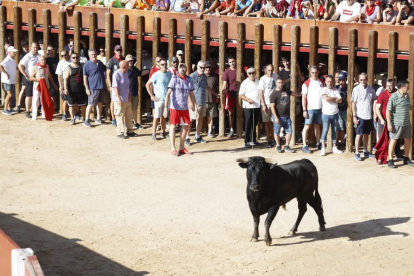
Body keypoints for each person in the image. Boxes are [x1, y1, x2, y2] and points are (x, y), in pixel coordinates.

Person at [163, 63, 197, 156]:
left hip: (184, 107)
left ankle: (181, 148)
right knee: (173, 126)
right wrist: (166, 108)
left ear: (186, 69)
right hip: (175, 107)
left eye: (184, 68)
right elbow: (168, 94)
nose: (182, 69)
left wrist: (194, 106)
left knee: (185, 127)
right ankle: (173, 148)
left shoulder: (189, 79)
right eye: (181, 68)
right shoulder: (174, 79)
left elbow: (191, 94)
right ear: (178, 69)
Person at [386, 81, 414, 168]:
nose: (408, 89)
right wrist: (389, 123)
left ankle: (406, 158)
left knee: (408, 140)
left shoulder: (407, 96)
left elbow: (408, 106)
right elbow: (388, 110)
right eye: (407, 87)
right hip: (396, 123)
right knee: (393, 140)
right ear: (402, 87)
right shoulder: (394, 96)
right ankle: (390, 160)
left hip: (406, 123)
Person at [270, 77, 302, 153]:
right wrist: (276, 117)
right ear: (276, 83)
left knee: (289, 131)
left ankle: (287, 146)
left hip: (287, 116)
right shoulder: (273, 94)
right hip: (278, 116)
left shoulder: (286, 90)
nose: (280, 84)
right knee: (277, 132)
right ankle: (278, 146)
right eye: (279, 83)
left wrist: (303, 94)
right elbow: (272, 107)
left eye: (282, 82)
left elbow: (295, 94)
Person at [352, 73, 377, 161]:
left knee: (366, 134)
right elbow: (353, 103)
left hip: (368, 115)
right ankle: (357, 152)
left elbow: (375, 99)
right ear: (359, 80)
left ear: (367, 79)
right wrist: (354, 116)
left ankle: (365, 151)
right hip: (360, 115)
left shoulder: (371, 89)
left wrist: (375, 112)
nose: (363, 81)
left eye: (364, 79)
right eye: (361, 80)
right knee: (359, 134)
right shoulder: (356, 89)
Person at [188, 60, 215, 144]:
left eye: (204, 67)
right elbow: (188, 90)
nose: (203, 69)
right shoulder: (191, 76)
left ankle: (197, 136)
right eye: (201, 67)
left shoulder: (204, 76)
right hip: (194, 101)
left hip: (202, 100)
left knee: (200, 119)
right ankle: (187, 138)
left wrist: (214, 93)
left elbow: (206, 86)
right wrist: (190, 102)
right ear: (197, 66)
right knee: (190, 119)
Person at [146, 58, 172, 140]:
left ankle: (163, 132)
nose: (164, 66)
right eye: (162, 64)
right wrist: (152, 96)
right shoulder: (156, 74)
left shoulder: (169, 74)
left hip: (167, 99)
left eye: (165, 64)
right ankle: (153, 134)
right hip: (158, 99)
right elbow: (147, 84)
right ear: (159, 66)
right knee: (156, 117)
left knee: (164, 116)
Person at [111, 61, 138, 139]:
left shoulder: (126, 73)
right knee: (120, 116)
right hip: (119, 100)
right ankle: (120, 132)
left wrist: (129, 95)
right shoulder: (116, 74)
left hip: (126, 98)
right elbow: (115, 88)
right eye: (127, 66)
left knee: (129, 116)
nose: (129, 67)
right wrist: (119, 98)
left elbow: (127, 86)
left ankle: (130, 131)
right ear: (123, 67)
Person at [301, 65, 323, 153]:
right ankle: (304, 145)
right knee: (307, 126)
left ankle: (318, 143)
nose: (314, 74)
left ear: (318, 72)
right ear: (310, 73)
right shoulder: (306, 83)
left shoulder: (321, 82)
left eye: (316, 72)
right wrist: (304, 110)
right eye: (312, 72)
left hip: (320, 108)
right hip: (310, 108)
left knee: (317, 126)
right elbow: (303, 97)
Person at [83, 49, 107, 127]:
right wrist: (87, 88)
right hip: (93, 87)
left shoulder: (100, 63)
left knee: (100, 103)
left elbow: (105, 69)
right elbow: (85, 77)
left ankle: (98, 118)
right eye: (92, 54)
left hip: (101, 86)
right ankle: (86, 120)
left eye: (95, 54)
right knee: (91, 103)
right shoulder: (87, 64)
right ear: (89, 55)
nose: (94, 56)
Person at [320, 75, 343, 156]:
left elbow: (340, 100)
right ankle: (323, 148)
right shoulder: (323, 89)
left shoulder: (336, 89)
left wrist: (330, 98)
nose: (329, 83)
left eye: (331, 81)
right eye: (328, 81)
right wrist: (334, 99)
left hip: (335, 113)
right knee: (325, 130)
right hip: (326, 114)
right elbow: (326, 99)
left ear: (333, 82)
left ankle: (334, 147)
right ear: (325, 82)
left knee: (334, 130)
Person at [63, 52, 88, 125]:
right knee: (71, 105)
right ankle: (72, 118)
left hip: (81, 89)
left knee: (83, 104)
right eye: (73, 57)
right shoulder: (68, 67)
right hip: (72, 89)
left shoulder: (82, 66)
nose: (75, 59)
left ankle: (83, 117)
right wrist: (66, 88)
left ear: (79, 58)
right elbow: (66, 79)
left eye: (77, 57)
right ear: (71, 58)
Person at [239, 67, 261, 148]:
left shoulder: (258, 81)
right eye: (250, 73)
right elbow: (240, 95)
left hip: (257, 105)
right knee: (248, 123)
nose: (252, 75)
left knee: (254, 123)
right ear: (247, 74)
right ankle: (247, 141)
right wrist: (248, 99)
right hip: (248, 106)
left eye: (253, 73)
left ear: (255, 73)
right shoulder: (244, 83)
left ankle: (253, 139)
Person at [126, 54, 149, 130]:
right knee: (127, 110)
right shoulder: (125, 70)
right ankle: (127, 123)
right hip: (127, 94)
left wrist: (150, 70)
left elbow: (141, 73)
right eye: (129, 61)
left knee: (134, 109)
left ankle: (135, 123)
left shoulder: (134, 69)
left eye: (131, 61)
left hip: (135, 93)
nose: (130, 62)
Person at [18, 41, 41, 119]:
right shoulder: (28, 56)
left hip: (37, 78)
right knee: (29, 95)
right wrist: (25, 75)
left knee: (37, 95)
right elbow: (20, 65)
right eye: (34, 47)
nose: (35, 49)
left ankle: (35, 110)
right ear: (31, 47)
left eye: (36, 47)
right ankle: (28, 111)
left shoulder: (40, 56)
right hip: (29, 78)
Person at [258, 64, 278, 148]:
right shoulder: (262, 79)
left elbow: (281, 82)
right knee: (266, 122)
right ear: (265, 70)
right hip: (266, 102)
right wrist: (263, 104)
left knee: (274, 122)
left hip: (274, 103)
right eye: (269, 70)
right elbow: (261, 93)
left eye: (272, 70)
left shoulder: (275, 75)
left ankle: (273, 139)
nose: (270, 72)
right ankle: (269, 140)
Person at [29, 55, 54, 120]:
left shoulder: (47, 67)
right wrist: (39, 79)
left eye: (44, 60)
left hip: (45, 86)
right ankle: (34, 115)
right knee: (36, 100)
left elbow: (49, 75)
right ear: (39, 61)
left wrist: (53, 84)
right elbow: (31, 78)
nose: (44, 61)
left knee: (44, 99)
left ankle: (44, 114)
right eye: (42, 60)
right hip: (38, 86)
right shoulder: (36, 67)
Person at [107, 45, 125, 126]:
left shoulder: (123, 59)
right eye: (117, 50)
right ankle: (113, 119)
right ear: (114, 51)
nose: (119, 52)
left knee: (123, 101)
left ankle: (122, 119)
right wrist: (110, 85)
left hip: (122, 84)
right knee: (113, 101)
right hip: (114, 85)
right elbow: (108, 74)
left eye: (120, 50)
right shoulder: (111, 60)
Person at [222, 56, 237, 137]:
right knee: (230, 113)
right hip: (230, 93)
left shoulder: (239, 70)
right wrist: (223, 96)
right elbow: (224, 85)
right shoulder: (227, 71)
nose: (232, 63)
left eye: (233, 61)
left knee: (240, 112)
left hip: (239, 94)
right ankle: (231, 129)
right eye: (230, 62)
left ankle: (240, 129)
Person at [0, 46, 18, 115]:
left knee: (11, 94)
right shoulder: (7, 59)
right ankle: (5, 109)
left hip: (12, 80)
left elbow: (13, 67)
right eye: (13, 52)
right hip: (7, 80)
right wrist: (6, 73)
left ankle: (9, 108)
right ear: (9, 52)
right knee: (9, 94)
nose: (15, 53)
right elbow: (0, 66)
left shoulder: (13, 59)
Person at [204, 61, 220, 137]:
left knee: (210, 116)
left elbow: (217, 87)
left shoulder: (215, 76)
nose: (208, 69)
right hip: (201, 100)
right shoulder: (200, 76)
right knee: (199, 117)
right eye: (206, 68)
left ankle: (210, 131)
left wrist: (217, 97)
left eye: (209, 68)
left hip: (211, 99)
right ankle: (198, 133)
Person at [56, 50, 71, 120]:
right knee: (65, 99)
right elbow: (59, 75)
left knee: (75, 99)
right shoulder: (61, 62)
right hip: (65, 82)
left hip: (73, 82)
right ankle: (65, 114)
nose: (64, 57)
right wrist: (60, 86)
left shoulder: (73, 60)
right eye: (62, 56)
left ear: (68, 54)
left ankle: (75, 113)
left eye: (65, 55)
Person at [16, 39, 29, 113]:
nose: (25, 48)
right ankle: (18, 105)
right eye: (23, 47)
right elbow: (22, 66)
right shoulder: (22, 54)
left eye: (26, 46)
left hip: (31, 74)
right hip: (25, 74)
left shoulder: (31, 53)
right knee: (23, 89)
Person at [335, 71, 348, 146]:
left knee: (348, 127)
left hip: (346, 110)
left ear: (346, 79)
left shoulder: (348, 87)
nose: (341, 81)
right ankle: (342, 143)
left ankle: (347, 142)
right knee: (340, 127)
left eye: (343, 79)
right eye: (340, 80)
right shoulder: (336, 88)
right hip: (338, 110)